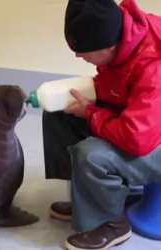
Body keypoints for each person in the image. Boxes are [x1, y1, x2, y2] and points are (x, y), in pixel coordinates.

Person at [42, 0, 161, 249]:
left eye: (84, 50)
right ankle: (87, 198)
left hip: (149, 136)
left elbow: (137, 138)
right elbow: (120, 84)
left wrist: (93, 115)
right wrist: (88, 107)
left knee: (92, 155)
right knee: (59, 112)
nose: (78, 55)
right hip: (146, 120)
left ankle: (111, 225)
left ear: (109, 46)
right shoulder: (123, 32)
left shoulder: (153, 65)